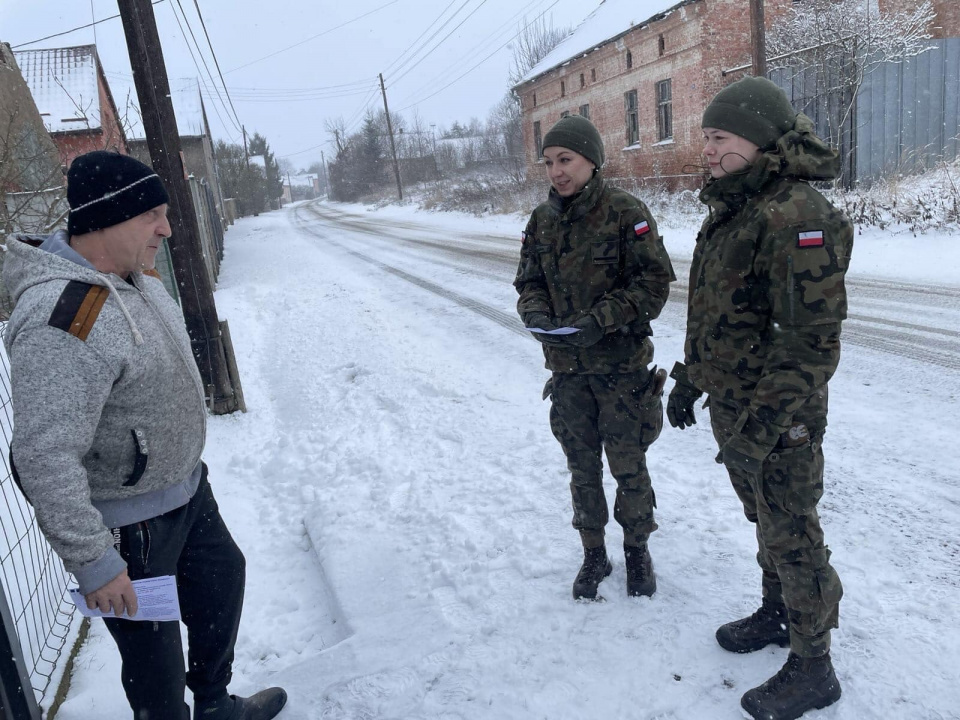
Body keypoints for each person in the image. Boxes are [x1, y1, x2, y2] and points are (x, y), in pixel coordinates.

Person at [3, 151, 287, 720]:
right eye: (153, 214)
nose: (167, 227)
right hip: (128, 526)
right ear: (106, 219)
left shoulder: (135, 277)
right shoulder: (64, 315)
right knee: (156, 667)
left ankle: (213, 705)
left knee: (220, 587)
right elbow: (43, 454)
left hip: (187, 493)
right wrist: (95, 560)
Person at [666, 77, 852, 720]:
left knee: (792, 530)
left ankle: (813, 665)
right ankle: (778, 615)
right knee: (766, 521)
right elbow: (721, 317)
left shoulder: (797, 216)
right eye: (706, 139)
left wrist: (763, 424)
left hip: (778, 417)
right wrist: (693, 377)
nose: (709, 151)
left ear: (756, 137)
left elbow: (810, 344)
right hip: (737, 407)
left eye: (719, 138)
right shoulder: (737, 208)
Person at [514, 115, 675, 601]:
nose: (556, 172)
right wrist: (536, 311)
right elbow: (528, 282)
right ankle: (593, 552)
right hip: (567, 371)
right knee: (581, 467)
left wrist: (601, 319)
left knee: (629, 466)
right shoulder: (542, 220)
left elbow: (653, 285)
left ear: (592, 161)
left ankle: (636, 550)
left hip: (621, 370)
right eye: (548, 163)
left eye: (566, 160)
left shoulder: (626, 213)